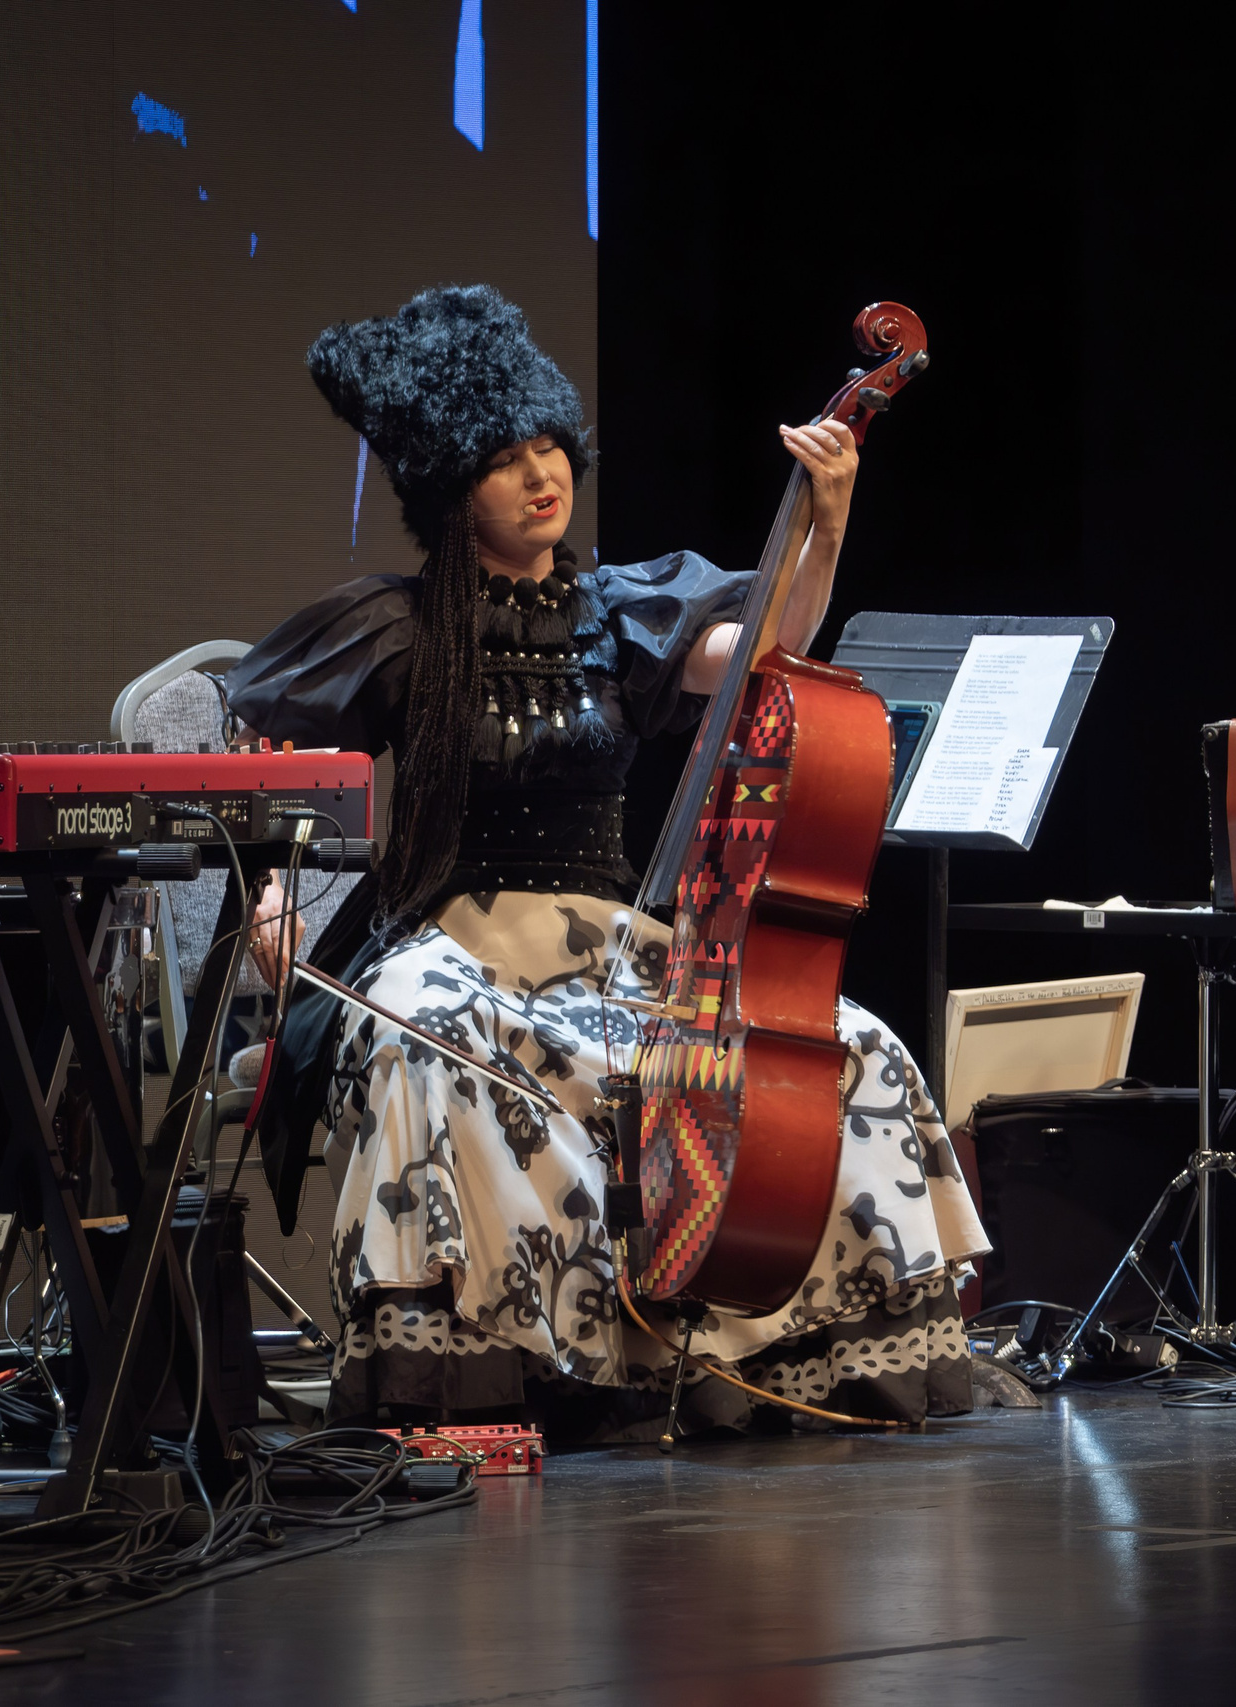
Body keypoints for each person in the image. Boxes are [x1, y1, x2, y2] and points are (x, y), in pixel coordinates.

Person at [229, 284, 988, 1436]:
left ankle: (798, 1348)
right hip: (450, 936)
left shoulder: (620, 611)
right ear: (448, 489)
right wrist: (271, 888)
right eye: (504, 459)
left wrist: (822, 524)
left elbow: (764, 661)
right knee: (441, 1049)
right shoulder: (395, 627)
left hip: (613, 948)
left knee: (851, 1050)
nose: (543, 475)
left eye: (552, 447)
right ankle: (493, 1365)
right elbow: (260, 757)